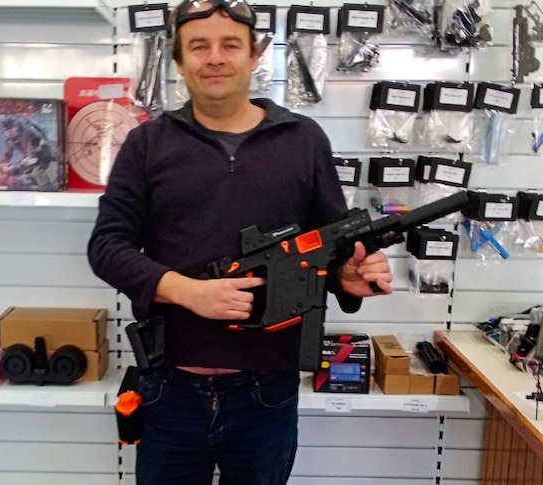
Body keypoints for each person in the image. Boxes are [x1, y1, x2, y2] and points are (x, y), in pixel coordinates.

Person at [87, 1, 393, 484]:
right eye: (199, 47)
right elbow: (107, 246)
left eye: (229, 45)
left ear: (254, 56)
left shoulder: (303, 139)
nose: (215, 58)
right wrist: (188, 292)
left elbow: (331, 247)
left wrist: (347, 278)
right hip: (170, 390)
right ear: (179, 61)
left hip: (265, 394)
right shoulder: (146, 145)